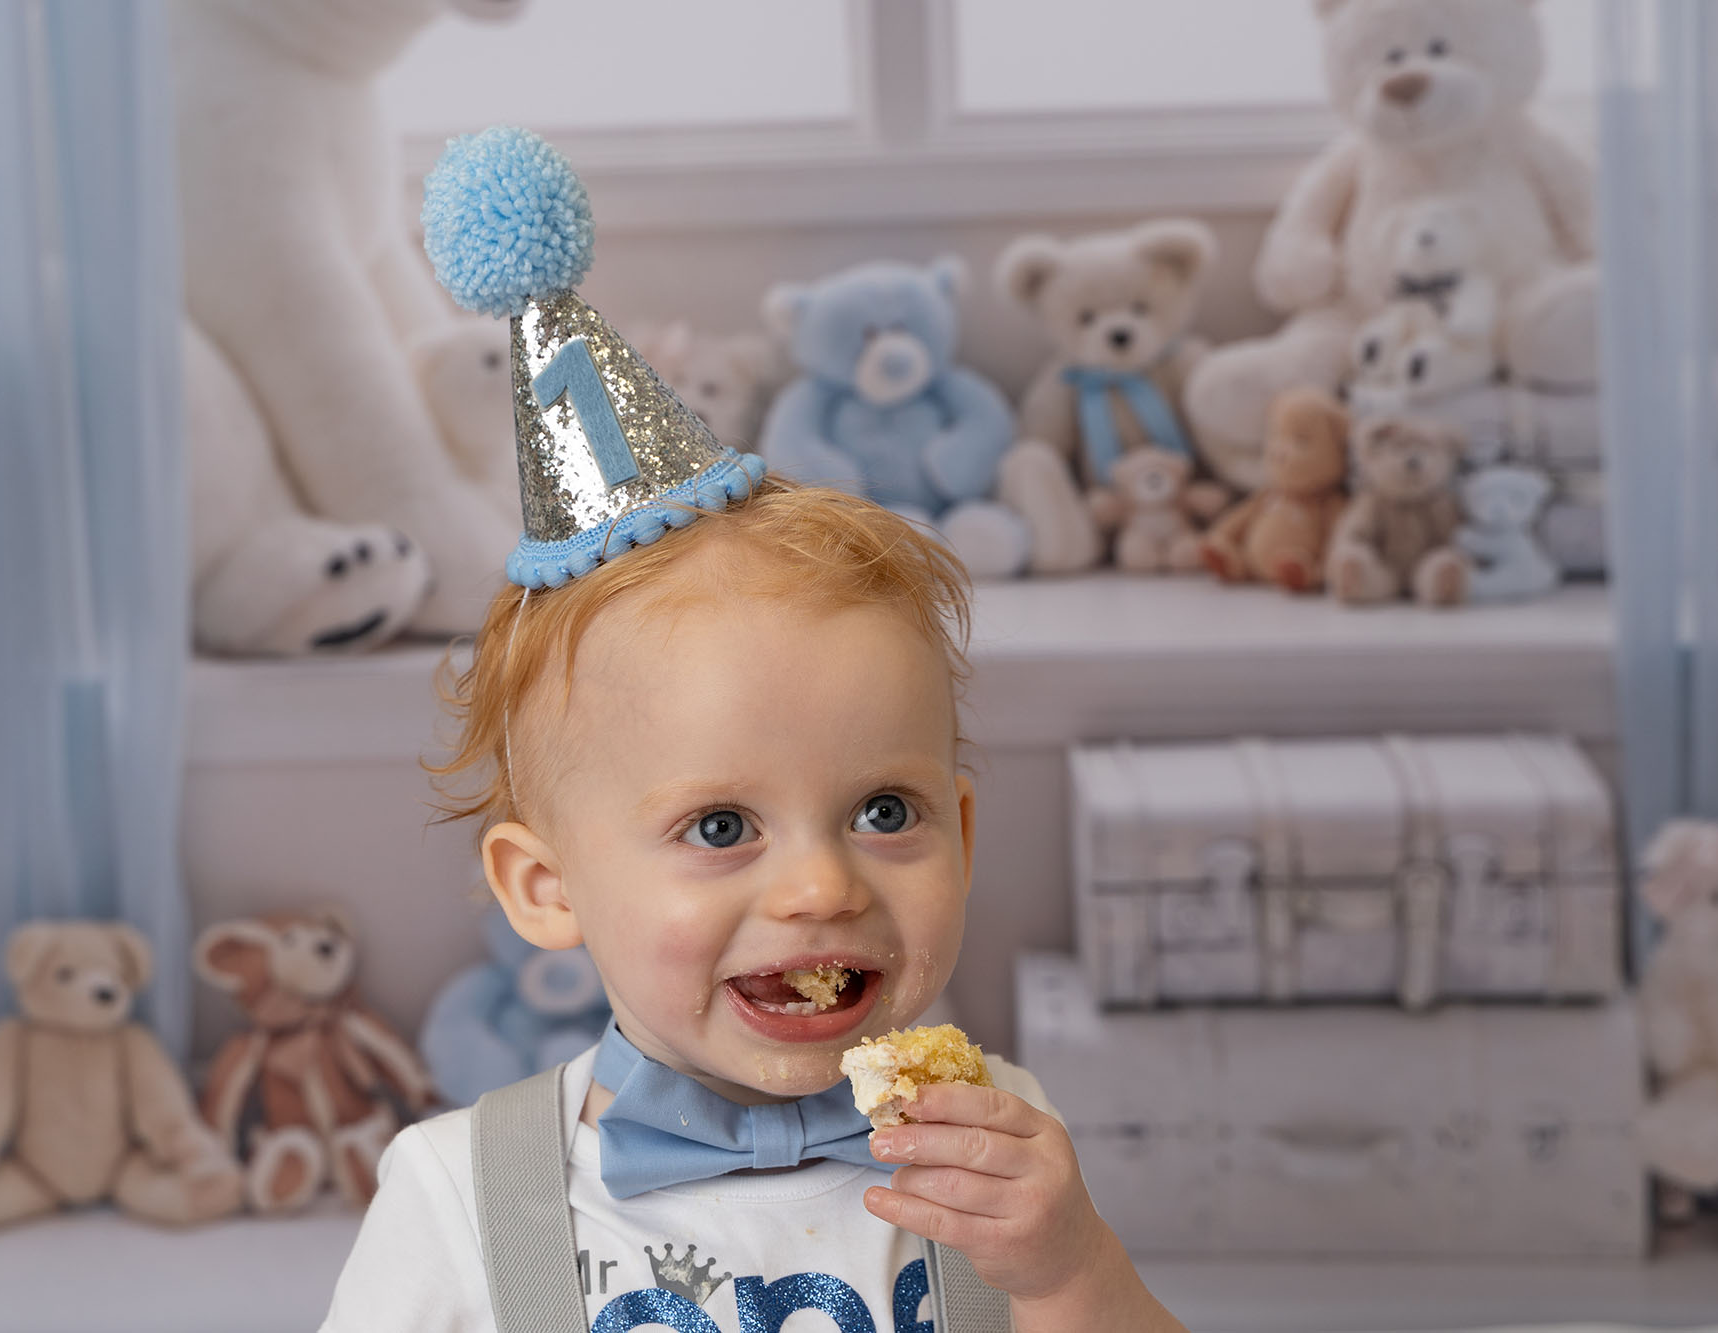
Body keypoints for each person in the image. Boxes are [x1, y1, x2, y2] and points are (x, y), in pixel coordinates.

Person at [320, 125, 1184, 1332]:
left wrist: (1072, 1271)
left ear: (963, 830)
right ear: (546, 887)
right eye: (720, 823)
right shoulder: (462, 1198)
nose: (822, 885)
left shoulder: (998, 1144)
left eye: (885, 811)